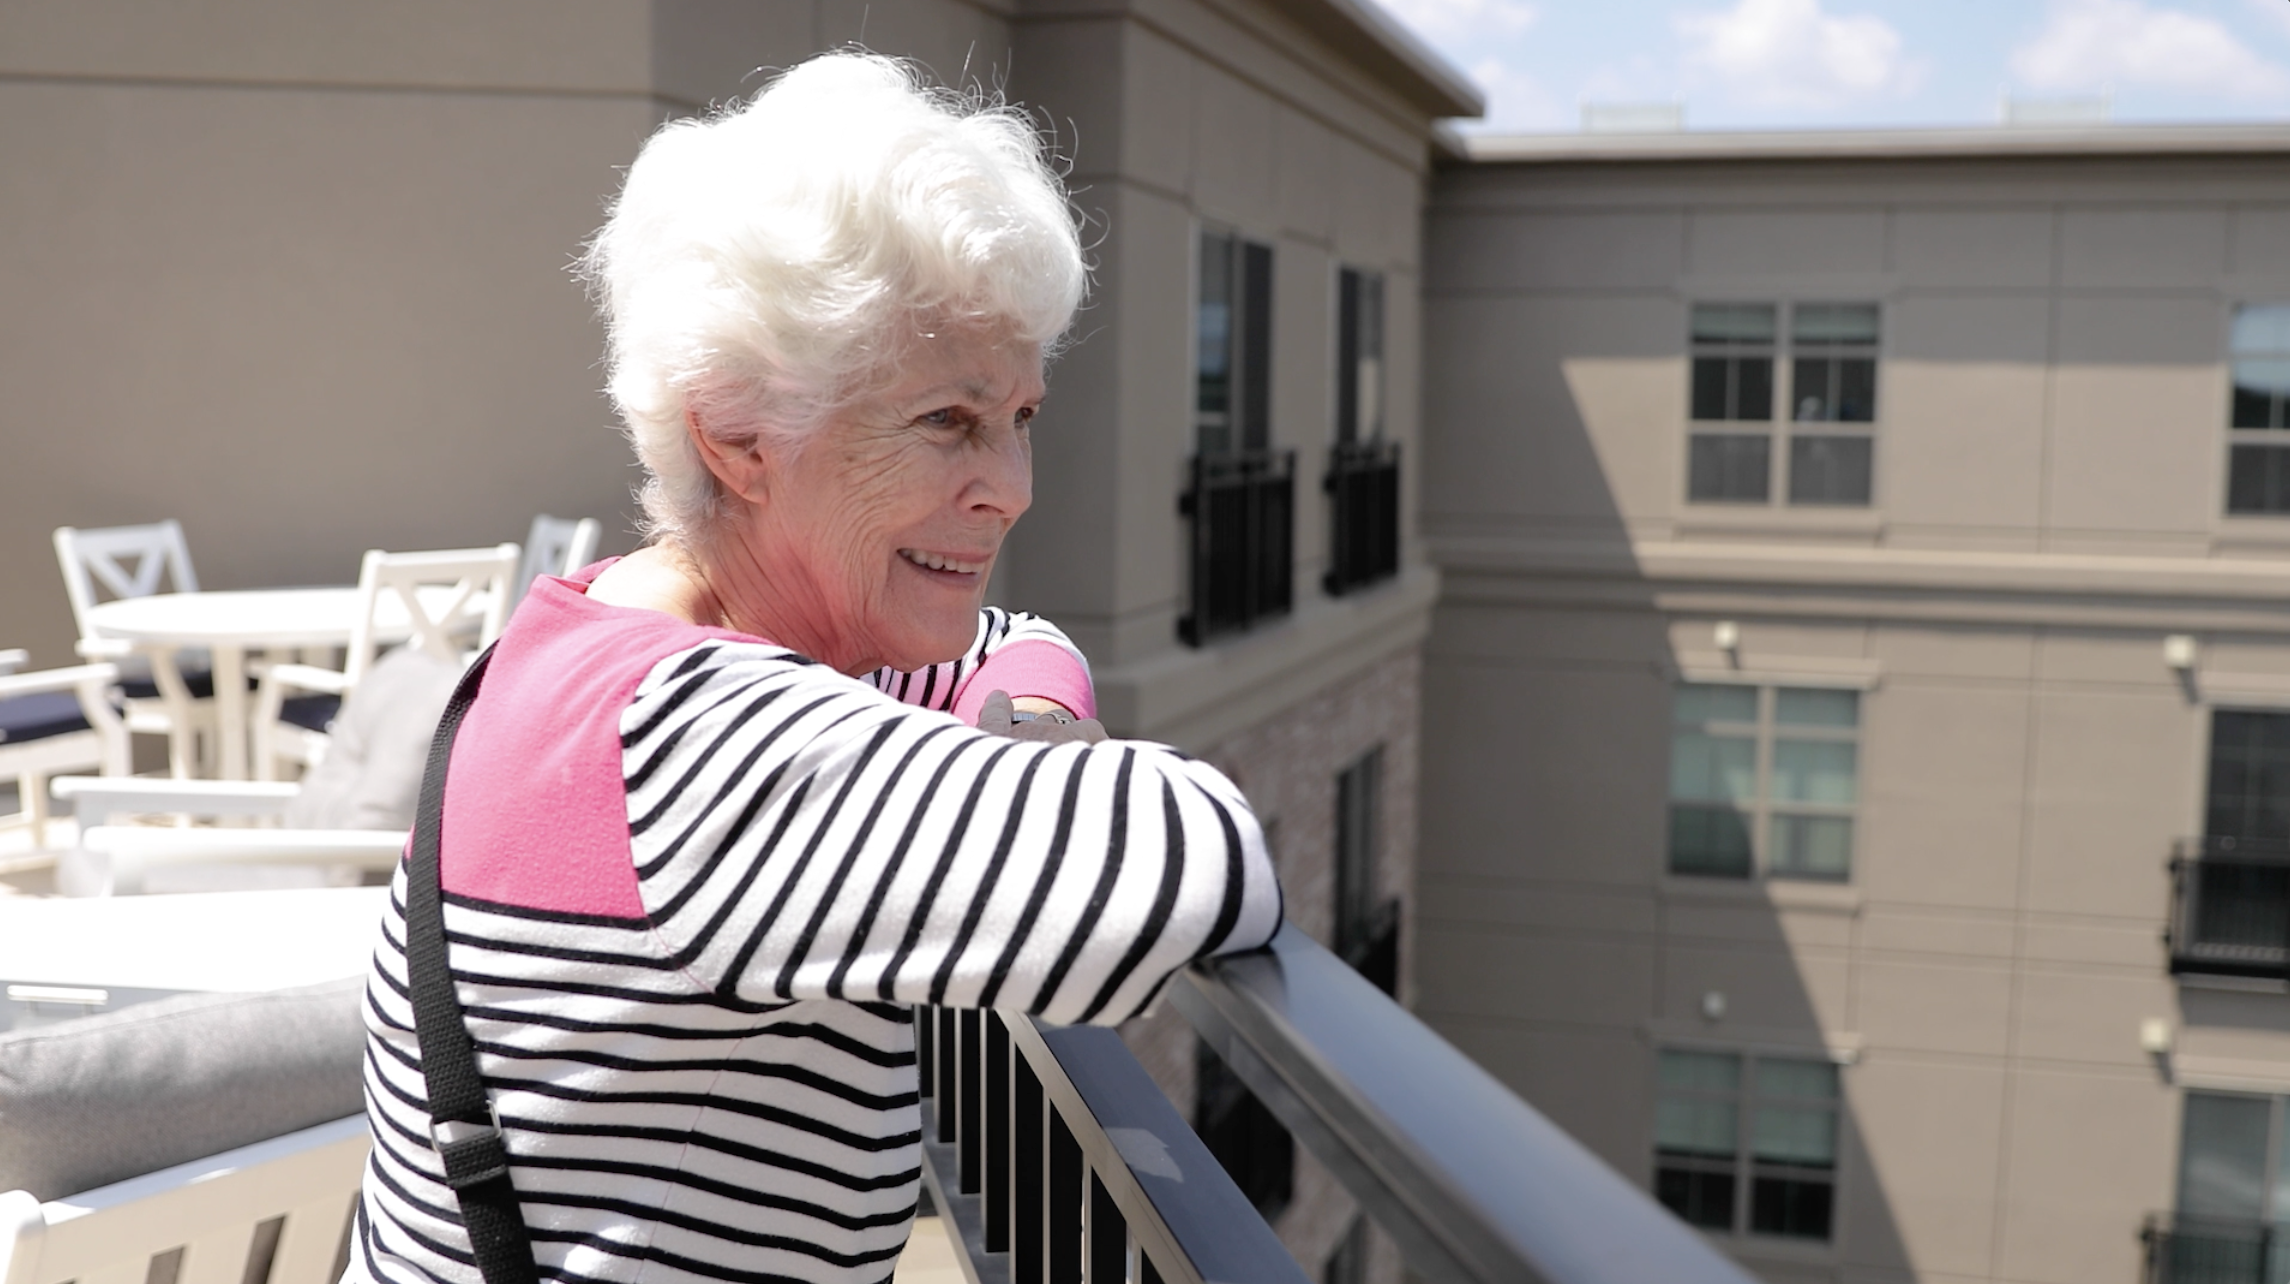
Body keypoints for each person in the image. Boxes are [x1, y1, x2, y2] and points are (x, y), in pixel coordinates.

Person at [347, 52, 1283, 1284]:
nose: (1009, 488)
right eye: (946, 420)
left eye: (1022, 418)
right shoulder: (706, 739)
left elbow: (1013, 645)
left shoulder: (573, 641)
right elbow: (1188, 860)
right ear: (738, 436)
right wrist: (1038, 753)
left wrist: (1013, 718)